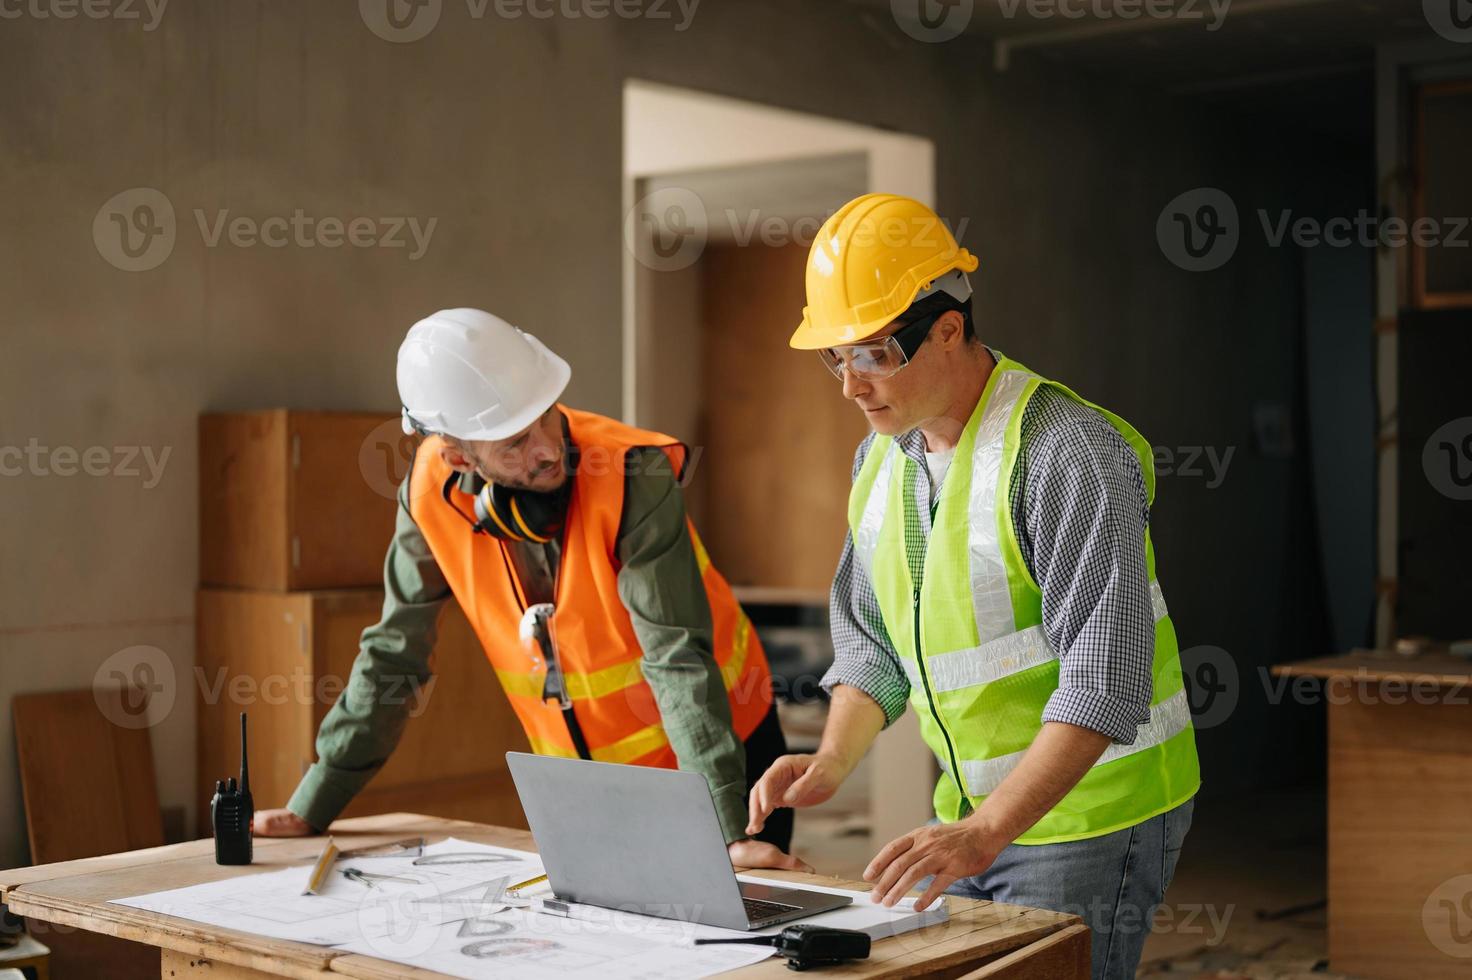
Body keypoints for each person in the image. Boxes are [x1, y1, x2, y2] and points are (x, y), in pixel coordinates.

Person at [746, 194, 1200, 978]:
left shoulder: (1067, 454)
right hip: (975, 815)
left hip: (1095, 813)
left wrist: (985, 830)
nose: (851, 385)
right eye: (836, 357)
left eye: (875, 353)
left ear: (948, 329)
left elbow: (1108, 680)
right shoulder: (882, 459)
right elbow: (872, 645)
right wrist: (830, 761)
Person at [255, 308, 806, 872]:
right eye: (514, 442)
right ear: (459, 456)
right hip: (587, 782)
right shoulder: (428, 498)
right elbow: (393, 655)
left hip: (727, 760)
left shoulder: (631, 475)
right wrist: (316, 801)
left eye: (546, 416)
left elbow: (676, 657)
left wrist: (727, 830)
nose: (546, 448)